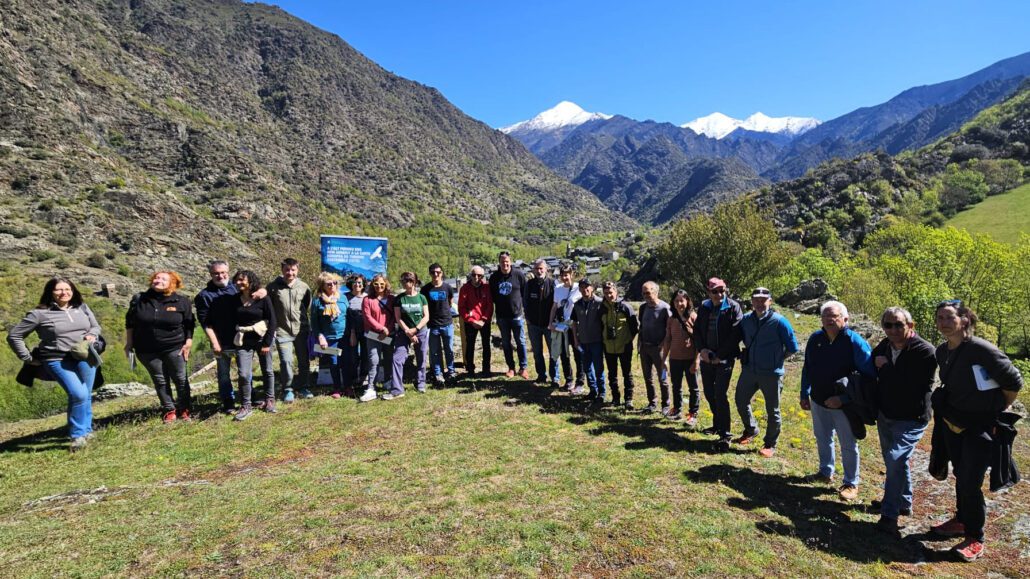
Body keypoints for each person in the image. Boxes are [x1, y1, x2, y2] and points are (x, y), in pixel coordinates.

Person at [929, 300, 1023, 561]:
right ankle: (961, 519)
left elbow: (1014, 381)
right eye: (939, 318)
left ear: (964, 320)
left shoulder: (981, 350)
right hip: (952, 423)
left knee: (970, 481)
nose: (943, 323)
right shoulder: (942, 351)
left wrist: (998, 406)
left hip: (980, 427)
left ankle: (975, 537)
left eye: (949, 317)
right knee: (961, 474)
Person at [8, 277, 101, 451]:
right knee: (78, 394)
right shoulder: (39, 314)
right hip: (56, 359)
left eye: (67, 289)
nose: (64, 293)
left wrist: (92, 335)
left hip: (85, 356)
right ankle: (77, 436)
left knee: (85, 394)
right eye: (59, 289)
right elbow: (14, 335)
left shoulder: (82, 307)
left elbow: (95, 327)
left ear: (73, 291)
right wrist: (27, 357)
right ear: (50, 292)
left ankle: (87, 430)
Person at [870, 306, 936, 536]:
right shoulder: (885, 345)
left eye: (899, 324)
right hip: (886, 413)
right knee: (895, 461)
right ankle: (904, 502)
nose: (893, 330)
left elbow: (912, 385)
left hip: (911, 417)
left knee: (896, 459)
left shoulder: (925, 351)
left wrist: (885, 367)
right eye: (888, 325)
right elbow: (871, 363)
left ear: (911, 325)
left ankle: (889, 515)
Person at [799, 300, 875, 501]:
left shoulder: (854, 342)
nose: (830, 320)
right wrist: (804, 392)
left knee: (848, 444)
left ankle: (851, 483)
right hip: (817, 399)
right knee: (822, 437)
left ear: (845, 319)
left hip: (844, 405)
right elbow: (808, 367)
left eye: (834, 316)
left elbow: (869, 376)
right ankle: (825, 472)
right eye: (825, 316)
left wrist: (843, 398)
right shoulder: (816, 338)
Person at [734, 287, 799, 457]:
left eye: (764, 300)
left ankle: (770, 444)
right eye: (757, 299)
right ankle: (751, 429)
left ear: (770, 301)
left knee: (773, 410)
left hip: (771, 373)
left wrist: (776, 359)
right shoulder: (746, 320)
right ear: (752, 301)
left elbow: (793, 348)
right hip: (749, 371)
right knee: (740, 400)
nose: (760, 303)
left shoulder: (780, 322)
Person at [194, 260, 266, 413]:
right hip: (221, 340)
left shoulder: (236, 288)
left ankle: (250, 396)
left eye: (223, 272)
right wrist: (214, 343)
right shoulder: (204, 296)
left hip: (241, 338)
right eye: (216, 273)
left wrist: (263, 291)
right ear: (210, 274)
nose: (220, 275)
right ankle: (228, 401)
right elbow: (205, 322)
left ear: (228, 271)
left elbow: (258, 291)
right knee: (223, 374)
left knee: (245, 371)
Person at [205, 270, 278, 421]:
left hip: (262, 339)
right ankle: (246, 405)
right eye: (236, 280)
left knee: (268, 370)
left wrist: (267, 343)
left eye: (241, 280)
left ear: (250, 281)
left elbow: (273, 321)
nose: (237, 283)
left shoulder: (263, 299)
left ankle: (270, 400)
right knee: (244, 374)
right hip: (243, 341)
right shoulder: (234, 300)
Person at [124, 271, 195, 423]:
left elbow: (189, 323)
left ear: (173, 283)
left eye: (163, 279)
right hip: (146, 350)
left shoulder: (181, 301)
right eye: (156, 277)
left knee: (180, 379)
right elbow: (130, 323)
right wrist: (129, 344)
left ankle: (184, 409)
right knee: (160, 380)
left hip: (174, 346)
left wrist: (188, 341)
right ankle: (169, 410)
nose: (158, 280)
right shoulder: (139, 300)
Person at [693, 277, 744, 449]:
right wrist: (702, 350)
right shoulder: (705, 307)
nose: (719, 294)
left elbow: (736, 334)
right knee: (708, 393)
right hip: (707, 358)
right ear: (709, 292)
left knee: (720, 395)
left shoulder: (733, 307)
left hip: (724, 359)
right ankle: (717, 424)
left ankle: (725, 434)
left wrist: (718, 355)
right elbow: (697, 330)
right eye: (715, 291)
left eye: (722, 290)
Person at [266, 258, 312, 403]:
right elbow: (269, 308)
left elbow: (306, 305)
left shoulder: (304, 287)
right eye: (287, 269)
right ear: (282, 270)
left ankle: (304, 386)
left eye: (293, 270)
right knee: (286, 361)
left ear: (297, 270)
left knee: (304, 360)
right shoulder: (273, 287)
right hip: (282, 331)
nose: (290, 273)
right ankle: (288, 389)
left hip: (301, 330)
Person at [489, 251, 529, 379]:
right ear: (499, 263)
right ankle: (511, 368)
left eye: (507, 261)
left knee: (521, 342)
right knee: (506, 343)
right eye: (502, 262)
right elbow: (492, 296)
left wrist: (522, 309)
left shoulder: (518, 275)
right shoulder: (494, 277)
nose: (504, 264)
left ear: (510, 262)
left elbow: (524, 293)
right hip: (502, 316)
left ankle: (523, 368)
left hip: (516, 315)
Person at [663, 289, 700, 425]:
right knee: (676, 386)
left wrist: (696, 361)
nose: (679, 304)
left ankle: (693, 413)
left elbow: (699, 341)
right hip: (675, 358)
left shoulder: (694, 317)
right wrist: (664, 359)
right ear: (673, 303)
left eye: (682, 300)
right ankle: (677, 409)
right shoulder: (671, 319)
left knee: (693, 387)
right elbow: (667, 339)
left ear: (687, 301)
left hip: (690, 359)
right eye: (677, 301)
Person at [600, 282, 638, 409]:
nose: (609, 295)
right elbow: (600, 327)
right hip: (609, 347)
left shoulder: (625, 307)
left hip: (624, 346)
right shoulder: (602, 308)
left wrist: (628, 341)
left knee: (627, 373)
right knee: (612, 374)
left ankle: (628, 399)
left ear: (616, 292)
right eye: (606, 293)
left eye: (611, 292)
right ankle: (615, 398)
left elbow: (634, 327)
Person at [310, 272, 348, 399]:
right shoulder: (317, 302)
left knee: (348, 362)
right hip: (329, 339)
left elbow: (348, 316)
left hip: (345, 336)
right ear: (322, 286)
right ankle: (337, 388)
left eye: (335, 283)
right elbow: (314, 323)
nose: (332, 285)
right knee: (334, 363)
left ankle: (348, 386)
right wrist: (320, 337)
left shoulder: (343, 298)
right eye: (329, 284)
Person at [361, 274, 398, 401]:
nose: (379, 286)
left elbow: (394, 316)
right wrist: (381, 328)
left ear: (386, 284)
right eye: (376, 284)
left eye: (382, 284)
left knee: (389, 358)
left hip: (388, 334)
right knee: (374, 360)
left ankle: (388, 381)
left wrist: (387, 329)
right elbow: (367, 317)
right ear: (372, 285)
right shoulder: (367, 300)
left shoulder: (392, 299)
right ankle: (371, 387)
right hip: (373, 335)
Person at [637, 281, 672, 414]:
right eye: (643, 293)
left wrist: (664, 346)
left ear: (656, 292)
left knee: (662, 378)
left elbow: (669, 330)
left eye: (648, 292)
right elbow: (641, 326)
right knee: (648, 377)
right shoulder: (642, 308)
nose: (645, 295)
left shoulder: (665, 308)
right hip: (645, 348)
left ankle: (666, 405)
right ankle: (652, 403)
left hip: (660, 350)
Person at [570, 278, 605, 403]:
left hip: (597, 340)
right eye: (582, 287)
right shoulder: (577, 304)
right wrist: (575, 339)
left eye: (587, 287)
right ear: (579, 289)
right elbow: (574, 323)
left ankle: (602, 392)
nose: (585, 290)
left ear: (592, 288)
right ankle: (593, 390)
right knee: (587, 368)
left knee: (598, 367)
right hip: (583, 341)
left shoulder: (600, 303)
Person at [548, 265, 583, 392]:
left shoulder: (578, 288)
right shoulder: (558, 288)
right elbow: (554, 307)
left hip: (575, 325)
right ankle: (569, 380)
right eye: (562, 275)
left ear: (571, 274)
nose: (564, 277)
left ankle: (580, 382)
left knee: (577, 353)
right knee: (563, 353)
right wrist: (550, 323)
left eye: (566, 275)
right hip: (562, 325)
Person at [395, 271, 431, 393]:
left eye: (407, 281)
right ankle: (397, 387)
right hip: (404, 332)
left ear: (414, 282)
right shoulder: (399, 299)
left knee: (421, 357)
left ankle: (421, 383)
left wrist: (416, 329)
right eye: (403, 281)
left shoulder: (422, 298)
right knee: (397, 358)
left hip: (421, 331)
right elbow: (398, 317)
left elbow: (426, 316)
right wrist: (408, 332)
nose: (404, 283)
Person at [421, 264, 455, 384]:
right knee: (435, 352)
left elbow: (450, 303)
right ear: (430, 273)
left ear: (442, 273)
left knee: (449, 350)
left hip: (447, 323)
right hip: (432, 325)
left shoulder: (447, 287)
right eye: (433, 272)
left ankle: (451, 372)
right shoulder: (425, 290)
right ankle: (438, 373)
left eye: (438, 272)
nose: (436, 274)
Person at [524, 259, 557, 385]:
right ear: (533, 270)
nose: (539, 271)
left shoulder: (553, 284)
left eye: (541, 268)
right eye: (536, 268)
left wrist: (554, 322)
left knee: (553, 352)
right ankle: (541, 375)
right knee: (537, 352)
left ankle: (555, 378)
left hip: (549, 325)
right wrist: (527, 318)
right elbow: (525, 302)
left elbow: (557, 304)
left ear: (546, 270)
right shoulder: (529, 284)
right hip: (533, 324)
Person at [458, 266, 493, 377]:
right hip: (470, 322)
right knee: (470, 346)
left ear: (483, 276)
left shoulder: (487, 288)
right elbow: (461, 307)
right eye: (474, 275)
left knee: (486, 345)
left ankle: (486, 369)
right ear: (470, 275)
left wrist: (483, 320)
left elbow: (490, 306)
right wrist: (471, 320)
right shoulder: (465, 288)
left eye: (479, 275)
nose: (476, 277)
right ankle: (470, 369)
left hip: (484, 322)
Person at [343, 275, 368, 391]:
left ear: (363, 284)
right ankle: (353, 379)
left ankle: (363, 378)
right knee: (352, 357)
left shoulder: (367, 297)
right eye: (354, 282)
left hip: (366, 331)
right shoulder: (345, 297)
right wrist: (352, 332)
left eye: (359, 282)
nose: (357, 285)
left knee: (366, 356)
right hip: (350, 332)